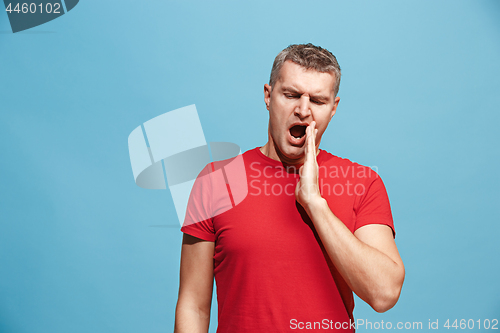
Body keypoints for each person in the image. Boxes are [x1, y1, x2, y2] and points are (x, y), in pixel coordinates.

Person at [174, 43, 405, 332]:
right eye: (291, 95)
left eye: (318, 101)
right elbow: (193, 305)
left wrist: (315, 204)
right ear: (268, 96)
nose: (303, 110)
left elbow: (384, 293)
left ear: (333, 109)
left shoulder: (362, 182)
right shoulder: (215, 181)